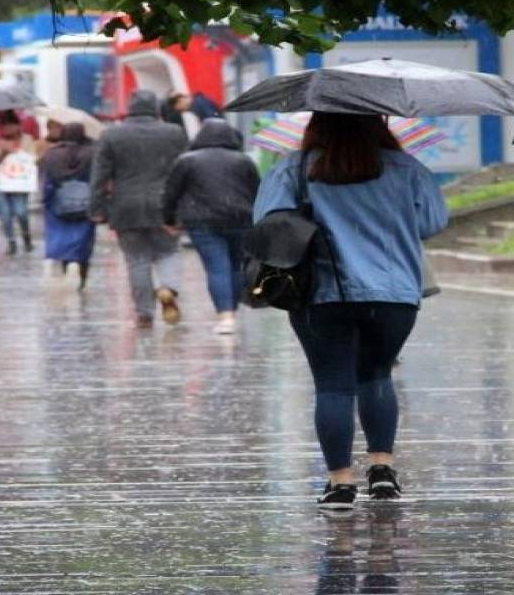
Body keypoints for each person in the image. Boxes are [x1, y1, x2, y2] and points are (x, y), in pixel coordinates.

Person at [253, 112, 448, 510]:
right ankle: (382, 472)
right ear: (378, 124)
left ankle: (340, 484)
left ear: (316, 126)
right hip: (393, 294)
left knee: (333, 386)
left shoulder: (294, 168)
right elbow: (432, 221)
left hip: (322, 293)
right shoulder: (407, 167)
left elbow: (267, 224)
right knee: (377, 376)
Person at [91, 90, 189, 328]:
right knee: (168, 251)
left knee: (137, 260)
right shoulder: (174, 133)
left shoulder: (111, 135)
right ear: (156, 108)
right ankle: (168, 288)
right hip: (165, 204)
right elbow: (184, 169)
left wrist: (97, 208)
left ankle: (144, 313)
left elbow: (100, 176)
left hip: (126, 206)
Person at [161, 118, 260, 334]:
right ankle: (231, 312)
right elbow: (257, 191)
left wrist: (169, 219)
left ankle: (226, 316)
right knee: (235, 266)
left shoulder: (187, 160)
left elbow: (171, 193)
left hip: (201, 221)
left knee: (217, 267)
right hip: (240, 219)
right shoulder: (243, 160)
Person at [39, 123, 97, 290]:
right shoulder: (92, 154)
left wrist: (46, 200)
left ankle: (63, 263)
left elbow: (46, 181)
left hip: (58, 204)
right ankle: (79, 269)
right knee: (82, 239)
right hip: (85, 204)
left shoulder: (51, 155)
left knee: (60, 236)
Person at [0, 111, 38, 255]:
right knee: (5, 214)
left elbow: (32, 159)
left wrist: (18, 151)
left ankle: (26, 237)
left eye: (11, 125)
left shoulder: (27, 139)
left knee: (21, 211)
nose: (8, 129)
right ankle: (11, 242)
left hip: (20, 183)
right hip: (0, 184)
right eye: (4, 126)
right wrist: (2, 152)